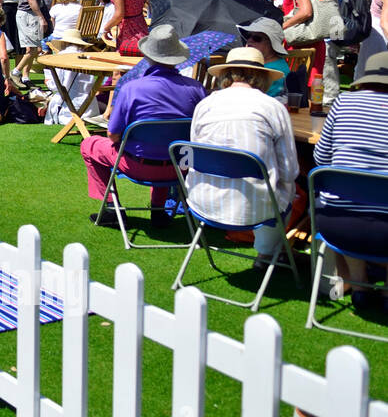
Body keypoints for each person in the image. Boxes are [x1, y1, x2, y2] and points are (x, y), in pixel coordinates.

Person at [81, 24, 205, 227]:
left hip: (138, 164)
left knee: (89, 144)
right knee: (168, 146)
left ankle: (112, 208)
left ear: (148, 55)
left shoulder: (132, 89)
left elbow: (112, 134)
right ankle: (158, 210)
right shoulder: (196, 89)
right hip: (180, 168)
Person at [188, 47, 297, 265]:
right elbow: (289, 169)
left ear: (226, 75)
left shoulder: (204, 105)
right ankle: (266, 252)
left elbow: (193, 154)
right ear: (262, 77)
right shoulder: (273, 107)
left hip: (202, 200)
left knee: (273, 180)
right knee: (288, 186)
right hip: (255, 207)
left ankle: (268, 250)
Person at [311, 52, 388, 304]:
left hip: (335, 223)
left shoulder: (343, 102)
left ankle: (359, 285)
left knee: (348, 199)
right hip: (383, 228)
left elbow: (321, 159)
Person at [12, 0, 51, 88]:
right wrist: (41, 17)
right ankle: (15, 72)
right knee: (35, 49)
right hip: (29, 13)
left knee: (32, 48)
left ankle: (25, 77)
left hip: (23, 12)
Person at [236, 18, 289, 98]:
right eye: (248, 36)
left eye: (257, 38)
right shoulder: (270, 63)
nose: (249, 41)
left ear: (271, 43)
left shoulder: (272, 71)